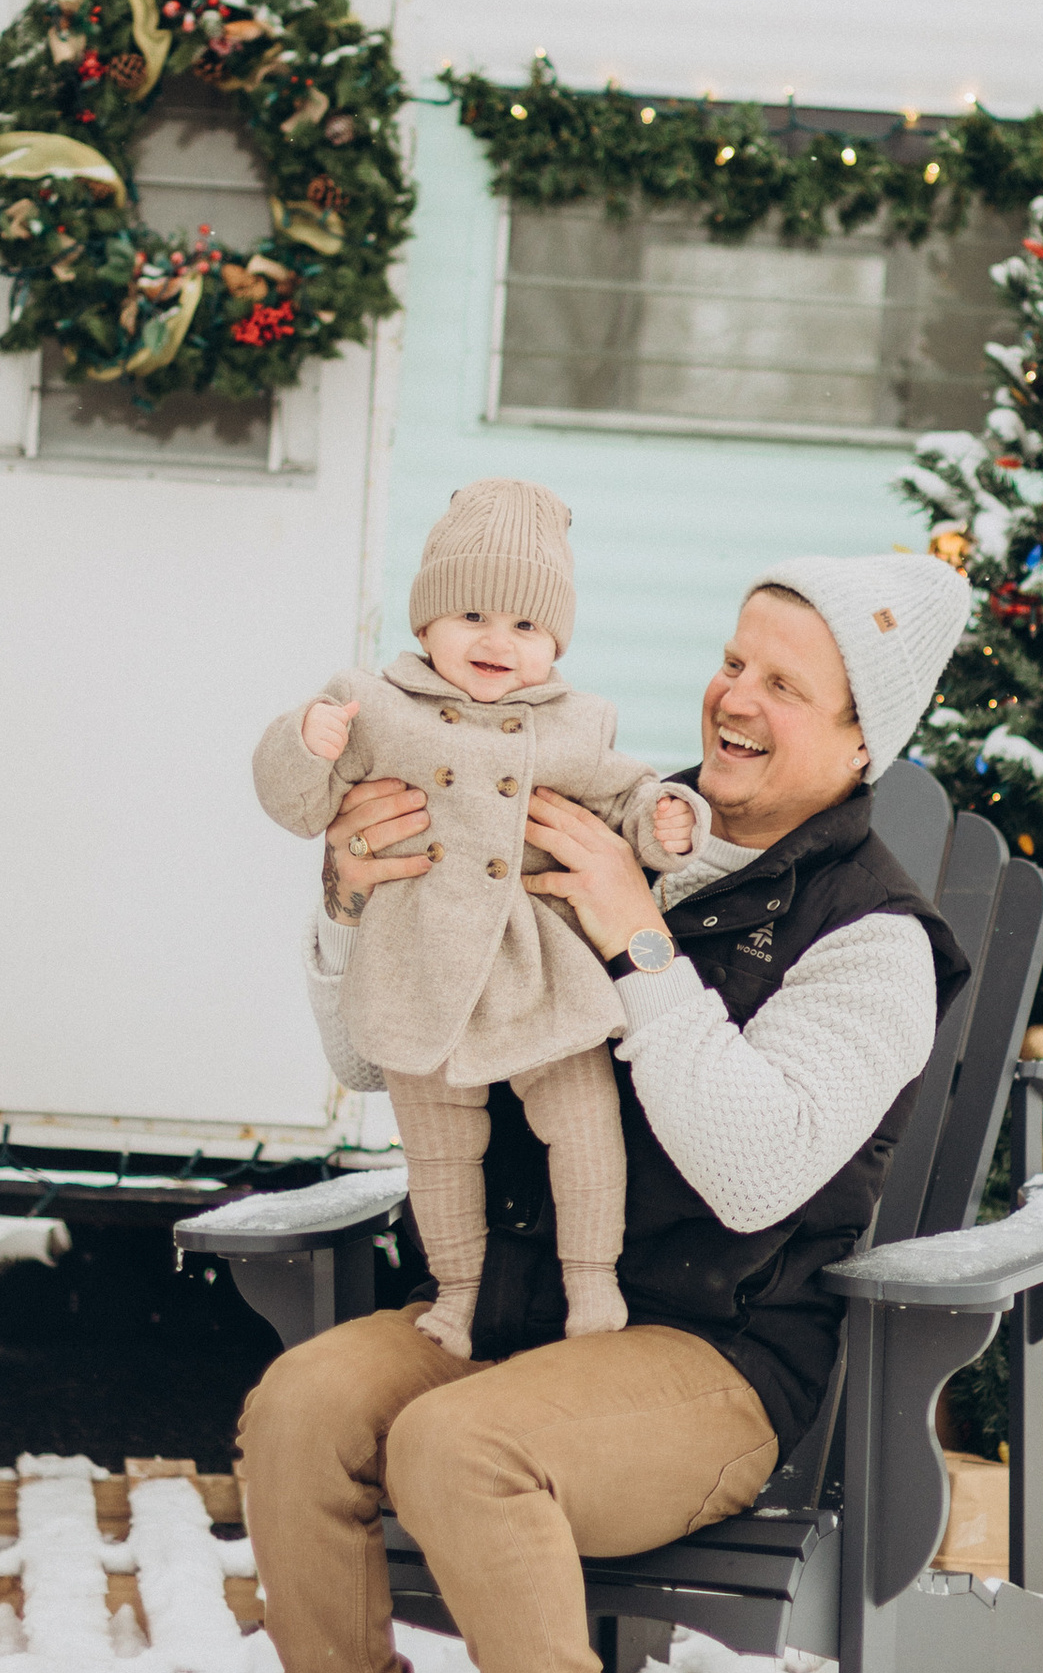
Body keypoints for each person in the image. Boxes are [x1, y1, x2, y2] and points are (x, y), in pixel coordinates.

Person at [239, 548, 975, 1673]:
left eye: (786, 682)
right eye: (734, 657)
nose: (736, 696)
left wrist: (638, 935)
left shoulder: (873, 938)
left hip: (717, 1356)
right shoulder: (613, 821)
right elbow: (376, 1059)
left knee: (462, 1445)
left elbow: (754, 1168)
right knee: (302, 1403)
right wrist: (349, 900)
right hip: (514, 1304)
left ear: (860, 745)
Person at [253, 481, 706, 1353]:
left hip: (541, 966)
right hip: (420, 959)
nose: (498, 642)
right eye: (471, 615)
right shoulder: (372, 704)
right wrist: (301, 741)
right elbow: (298, 806)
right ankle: (456, 1294)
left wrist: (664, 821)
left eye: (526, 627)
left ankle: (592, 1286)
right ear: (425, 625)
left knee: (582, 1122)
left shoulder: (577, 723)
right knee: (439, 1147)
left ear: (555, 644)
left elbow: (624, 800)